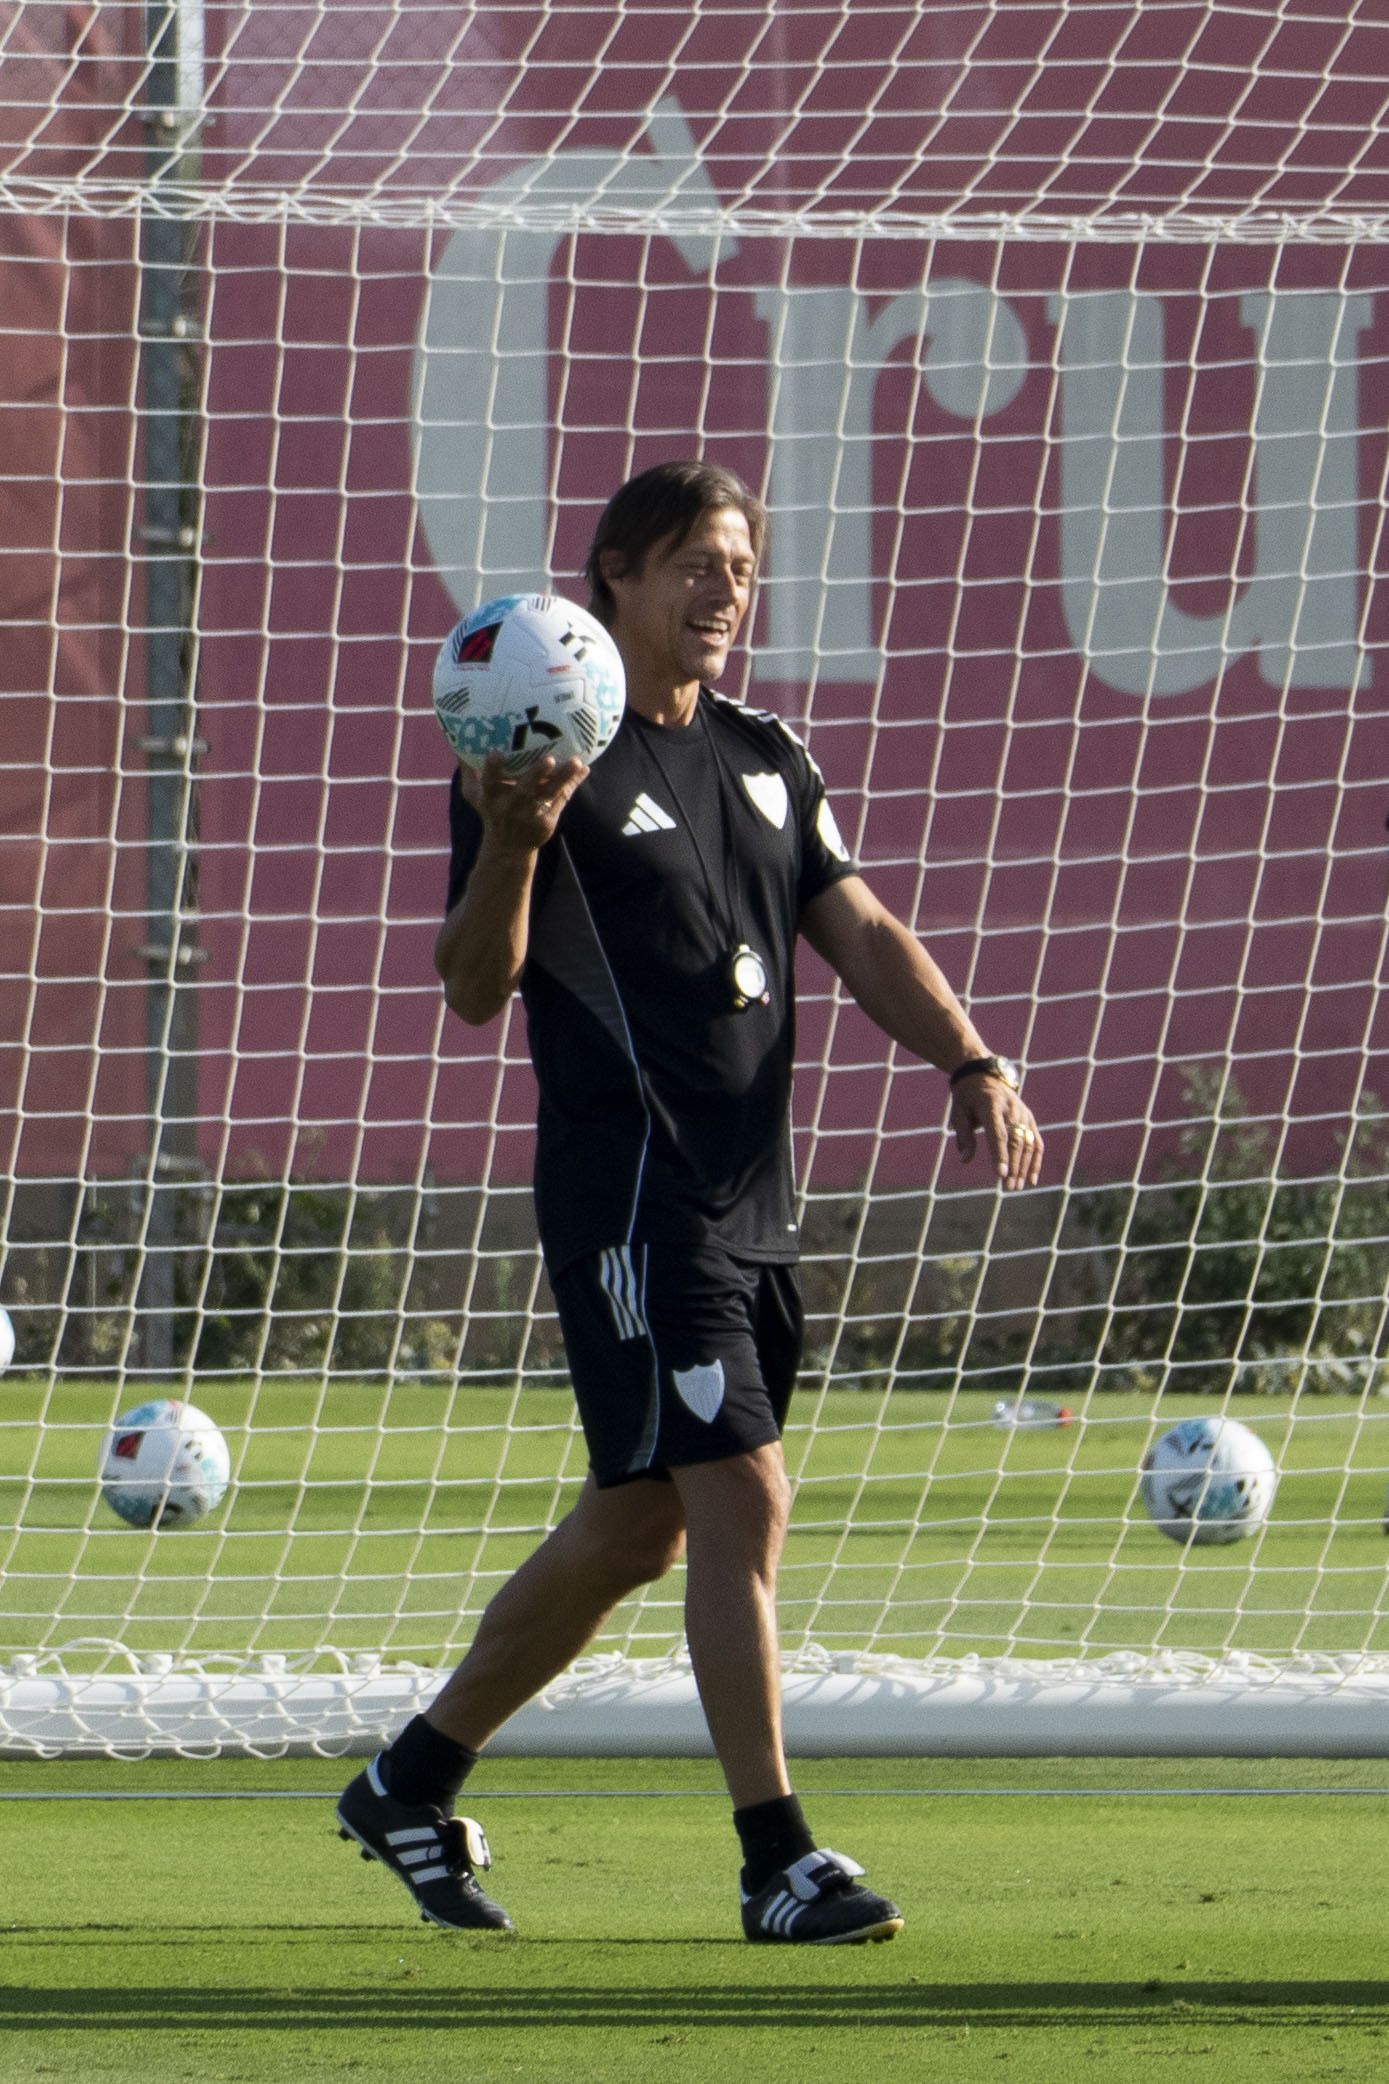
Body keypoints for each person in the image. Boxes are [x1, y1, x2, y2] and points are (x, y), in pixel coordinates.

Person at [337, 459, 1044, 1944]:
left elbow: (859, 931)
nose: (724, 591)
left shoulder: (766, 755)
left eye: (739, 566)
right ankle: (774, 1858)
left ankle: (411, 1778)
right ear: (613, 580)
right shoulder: (535, 760)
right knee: (744, 1494)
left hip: (748, 1203)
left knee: (640, 1524)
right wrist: (518, 839)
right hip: (633, 1203)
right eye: (694, 566)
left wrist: (970, 1056)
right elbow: (473, 991)